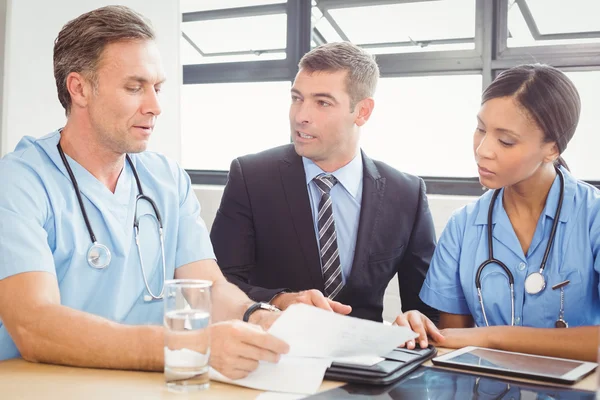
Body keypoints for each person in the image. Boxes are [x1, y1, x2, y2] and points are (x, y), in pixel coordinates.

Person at [0, 6, 289, 379]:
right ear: (79, 88)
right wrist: (187, 347)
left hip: (148, 381)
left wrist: (259, 316)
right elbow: (34, 327)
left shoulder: (166, 179)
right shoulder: (19, 181)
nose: (155, 106)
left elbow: (209, 288)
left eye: (157, 87)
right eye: (134, 87)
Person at [210, 42, 439, 324]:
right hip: (274, 352)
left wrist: (415, 319)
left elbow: (427, 307)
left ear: (363, 111)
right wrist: (279, 301)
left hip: (365, 360)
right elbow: (217, 285)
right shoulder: (251, 177)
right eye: (297, 98)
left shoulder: (407, 194)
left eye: (322, 102)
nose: (300, 116)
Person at [397, 64, 600, 361]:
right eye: (480, 129)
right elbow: (453, 343)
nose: (482, 149)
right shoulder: (462, 226)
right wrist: (419, 327)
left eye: (505, 140)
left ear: (552, 149)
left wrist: (494, 336)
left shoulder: (593, 216)